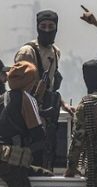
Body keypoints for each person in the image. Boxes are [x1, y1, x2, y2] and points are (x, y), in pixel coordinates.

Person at [15, 10, 74, 170]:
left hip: (48, 113)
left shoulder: (55, 52)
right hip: (29, 113)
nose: (47, 30)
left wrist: (62, 104)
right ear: (37, 27)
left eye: (51, 26)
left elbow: (51, 85)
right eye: (43, 26)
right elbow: (17, 85)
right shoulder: (27, 52)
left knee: (49, 155)